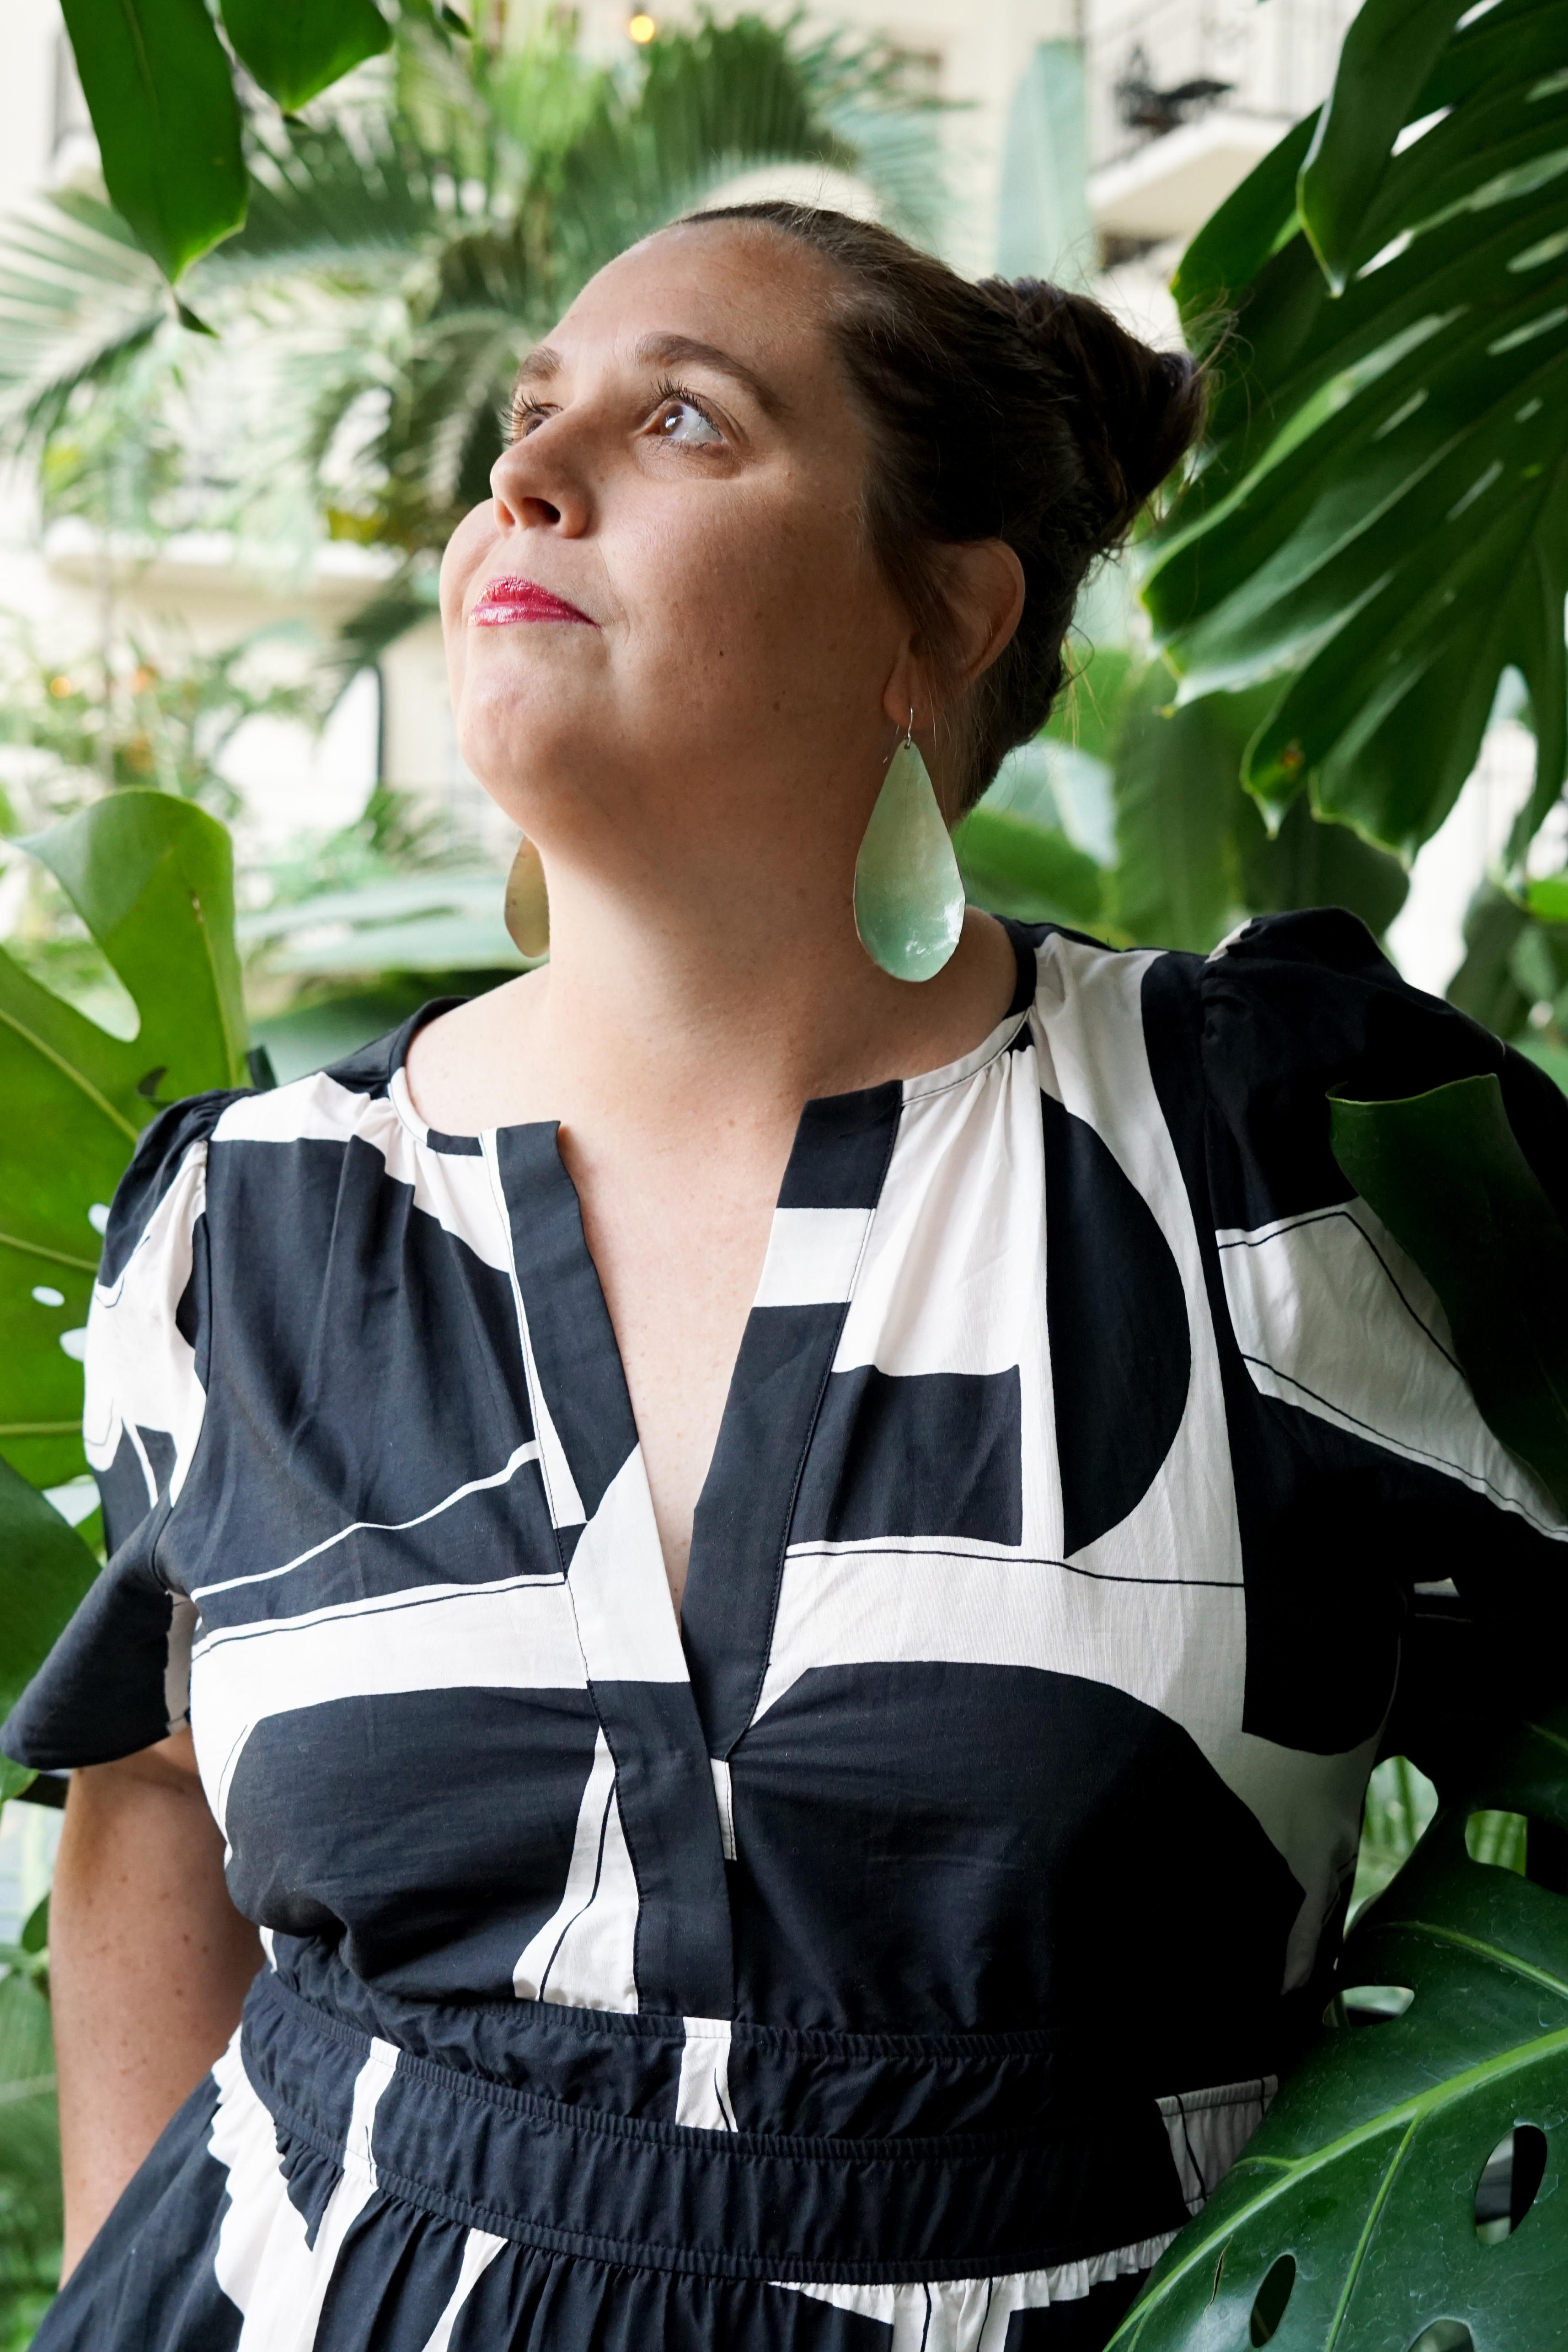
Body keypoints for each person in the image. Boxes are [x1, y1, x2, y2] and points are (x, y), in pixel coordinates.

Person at [8, 202, 1567, 2352]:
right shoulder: (252, 1230)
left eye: (679, 420)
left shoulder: (1260, 1163)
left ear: (937, 621)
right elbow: (153, 1787)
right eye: (528, 422)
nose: (527, 478)